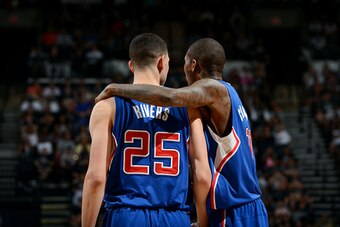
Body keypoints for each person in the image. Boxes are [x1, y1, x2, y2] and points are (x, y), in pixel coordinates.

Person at [95, 37, 269, 226]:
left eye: (184, 64)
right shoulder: (230, 94)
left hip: (233, 210)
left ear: (194, 65)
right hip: (248, 207)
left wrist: (116, 88)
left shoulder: (213, 89)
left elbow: (171, 97)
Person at [81, 33, 211, 227]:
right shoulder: (188, 108)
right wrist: (203, 222)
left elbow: (97, 177)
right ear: (161, 62)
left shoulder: (108, 106)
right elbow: (202, 175)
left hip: (125, 216)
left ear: (131, 66)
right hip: (173, 217)